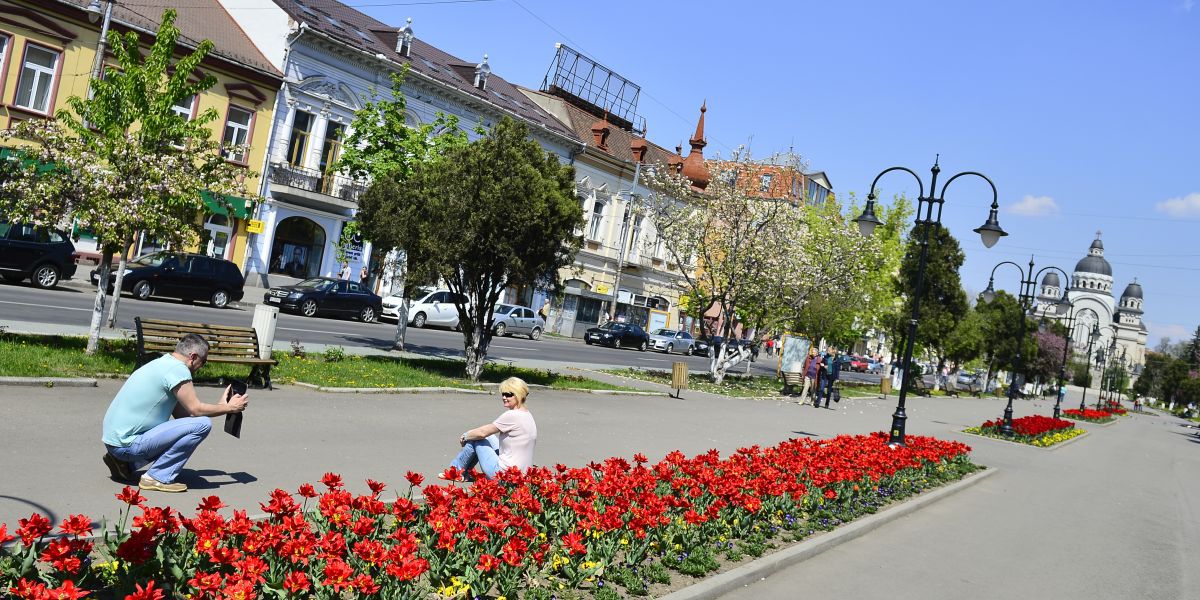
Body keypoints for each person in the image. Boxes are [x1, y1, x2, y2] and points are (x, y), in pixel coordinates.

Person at [101, 334, 248, 492]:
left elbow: (184, 418)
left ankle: (125, 464)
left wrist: (220, 405)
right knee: (203, 425)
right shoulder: (179, 369)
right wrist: (229, 408)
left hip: (114, 442)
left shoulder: (163, 363)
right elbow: (196, 409)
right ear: (193, 357)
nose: (202, 366)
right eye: (203, 362)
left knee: (195, 425)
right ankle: (157, 477)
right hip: (127, 445)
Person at [442, 377, 537, 481]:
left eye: (509, 394)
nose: (504, 397)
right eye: (503, 394)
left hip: (505, 475)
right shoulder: (527, 414)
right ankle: (460, 472)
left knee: (477, 438)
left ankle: (455, 472)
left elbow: (482, 433)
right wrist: (469, 434)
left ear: (519, 395)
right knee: (486, 436)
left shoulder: (511, 415)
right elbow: (487, 431)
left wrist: (465, 436)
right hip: (522, 474)